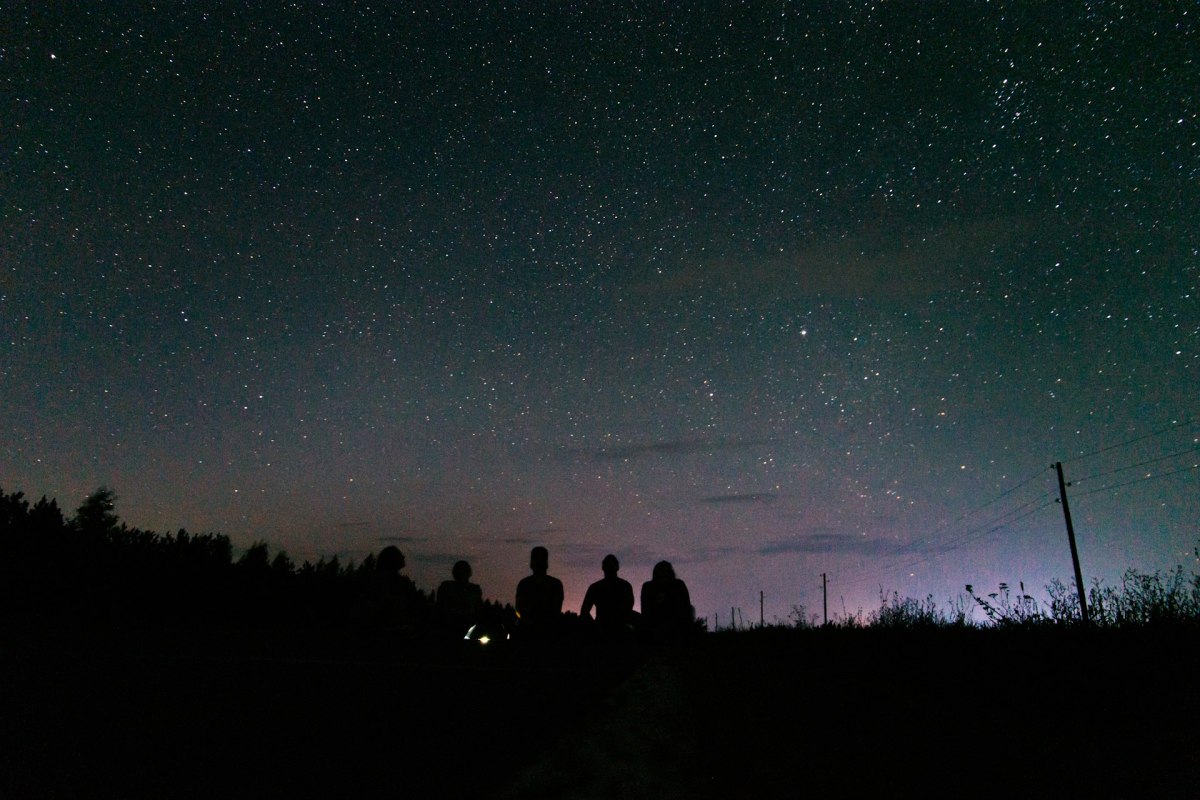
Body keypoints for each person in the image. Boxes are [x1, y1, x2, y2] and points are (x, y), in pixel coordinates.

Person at [515, 546, 563, 640]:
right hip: (542, 631)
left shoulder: (524, 584)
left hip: (538, 631)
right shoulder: (555, 584)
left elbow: (519, 607)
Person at [580, 554, 634, 637]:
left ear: (602, 567)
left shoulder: (595, 587)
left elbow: (584, 611)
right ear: (618, 568)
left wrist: (595, 626)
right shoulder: (625, 586)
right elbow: (628, 608)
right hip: (618, 630)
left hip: (608, 629)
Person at [640, 560, 694, 642]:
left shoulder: (678, 585)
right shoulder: (648, 587)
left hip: (676, 622)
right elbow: (645, 610)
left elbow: (685, 606)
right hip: (655, 622)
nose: (663, 577)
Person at [437, 559, 483, 638]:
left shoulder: (473, 589)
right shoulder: (447, 587)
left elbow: (478, 609)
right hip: (451, 625)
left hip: (466, 625)